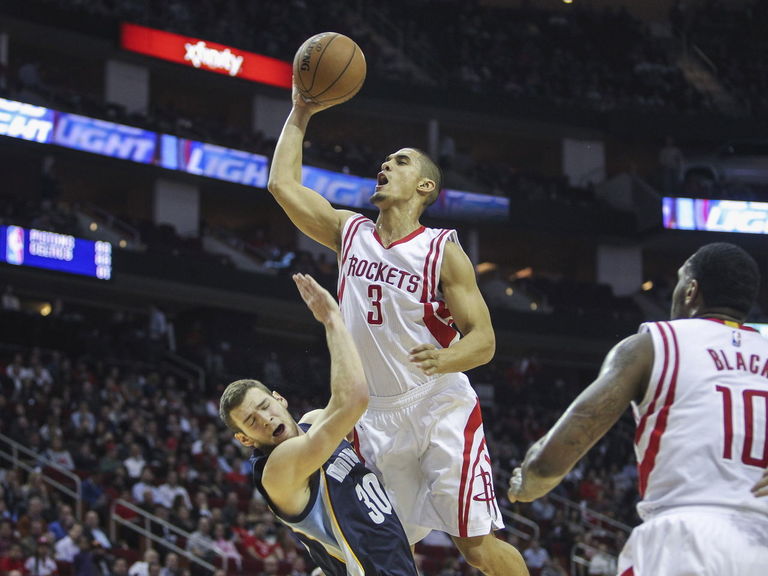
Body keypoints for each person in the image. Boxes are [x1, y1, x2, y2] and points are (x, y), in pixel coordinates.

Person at [267, 83, 527, 576]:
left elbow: (484, 341)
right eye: (384, 162)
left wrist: (445, 359)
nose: (384, 166)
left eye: (400, 162)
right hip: (372, 418)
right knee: (374, 550)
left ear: (425, 186)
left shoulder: (442, 250)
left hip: (436, 404)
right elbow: (283, 186)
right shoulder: (350, 232)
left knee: (476, 547)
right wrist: (300, 110)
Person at [508, 242, 768, 575]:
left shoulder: (653, 345)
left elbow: (558, 452)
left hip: (685, 540)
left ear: (691, 290)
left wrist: (529, 479)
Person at [219, 273, 419, 576]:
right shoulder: (277, 470)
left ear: (280, 399)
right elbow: (353, 400)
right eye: (251, 421)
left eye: (264, 406)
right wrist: (332, 319)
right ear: (245, 439)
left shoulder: (314, 422)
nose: (265, 419)